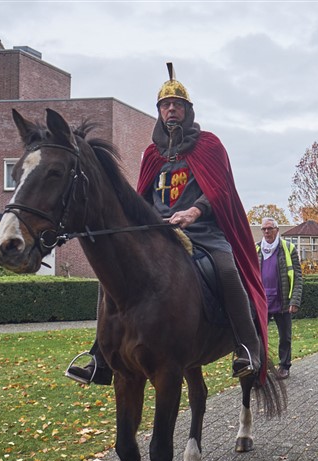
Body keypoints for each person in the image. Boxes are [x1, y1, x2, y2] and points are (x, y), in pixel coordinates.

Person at [66, 63, 266, 385]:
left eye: (177, 105)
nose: (171, 109)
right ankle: (100, 357)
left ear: (188, 110)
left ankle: (247, 347)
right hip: (159, 231)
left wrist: (194, 212)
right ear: (159, 111)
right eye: (165, 105)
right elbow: (142, 197)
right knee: (112, 277)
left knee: (228, 271)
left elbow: (221, 190)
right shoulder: (151, 153)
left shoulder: (210, 145)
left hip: (203, 232)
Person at [256, 217, 303, 379]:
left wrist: (295, 301)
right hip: (262, 302)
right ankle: (260, 367)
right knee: (259, 336)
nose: (267, 232)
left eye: (270, 228)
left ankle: (284, 366)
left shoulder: (288, 249)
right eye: (264, 229)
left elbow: (297, 277)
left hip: (282, 301)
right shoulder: (256, 249)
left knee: (285, 336)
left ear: (277, 230)